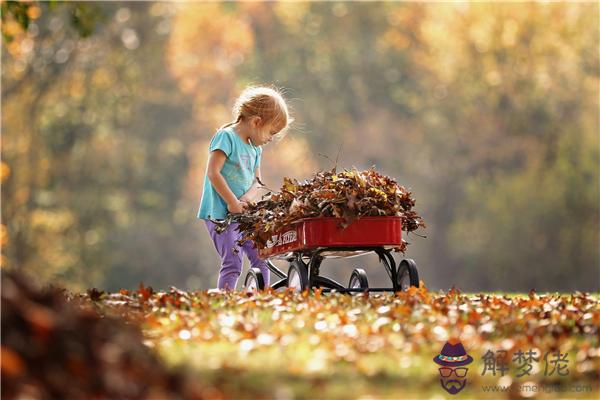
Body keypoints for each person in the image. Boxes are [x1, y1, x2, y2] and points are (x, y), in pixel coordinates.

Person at [197, 86, 292, 290]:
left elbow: (257, 182)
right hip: (220, 215)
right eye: (271, 133)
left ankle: (262, 296)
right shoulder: (226, 137)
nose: (270, 139)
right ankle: (226, 299)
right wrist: (232, 202)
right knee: (233, 261)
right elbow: (213, 172)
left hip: (243, 214)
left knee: (261, 255)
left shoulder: (255, 149)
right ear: (257, 122)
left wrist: (246, 200)